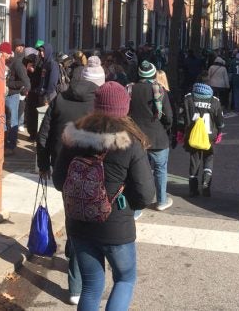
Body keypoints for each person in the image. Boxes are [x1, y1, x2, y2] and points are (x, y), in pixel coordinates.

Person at [52, 81, 155, 311]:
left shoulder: (73, 136)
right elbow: (146, 195)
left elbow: (59, 181)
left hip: (78, 222)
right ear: (124, 109)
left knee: (90, 286)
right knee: (125, 279)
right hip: (116, 225)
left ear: (96, 106)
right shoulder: (131, 142)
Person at [36, 60, 103, 305]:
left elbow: (43, 136)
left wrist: (43, 164)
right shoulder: (99, 102)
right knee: (86, 225)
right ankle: (78, 283)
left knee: (72, 216)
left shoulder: (60, 99)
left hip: (62, 167)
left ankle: (76, 278)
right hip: (92, 168)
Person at [128, 60, 174, 212]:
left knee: (138, 172)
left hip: (136, 137)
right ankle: (161, 201)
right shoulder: (159, 90)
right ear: (153, 74)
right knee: (160, 169)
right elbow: (168, 118)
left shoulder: (129, 89)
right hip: (157, 137)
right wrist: (164, 128)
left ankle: (138, 208)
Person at [183, 82, 225, 197]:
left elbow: (184, 119)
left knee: (194, 160)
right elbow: (220, 121)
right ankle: (206, 184)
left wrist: (181, 133)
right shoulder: (214, 101)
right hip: (209, 136)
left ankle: (193, 189)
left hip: (193, 135)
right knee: (208, 158)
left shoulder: (188, 98)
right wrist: (220, 133)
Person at [2, 41, 30, 155]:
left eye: (1, 52)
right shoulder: (2, 62)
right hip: (3, 96)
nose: (0, 54)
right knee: (3, 121)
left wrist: (8, 85)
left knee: (12, 121)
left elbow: (24, 81)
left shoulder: (17, 64)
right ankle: (4, 144)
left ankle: (11, 146)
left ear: (7, 52)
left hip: (12, 95)